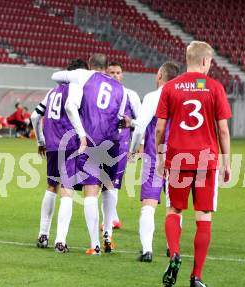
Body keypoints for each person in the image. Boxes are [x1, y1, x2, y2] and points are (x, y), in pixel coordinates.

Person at [155, 41, 232, 287]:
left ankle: (175, 252)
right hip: (205, 160)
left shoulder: (171, 87)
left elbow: (159, 128)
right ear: (204, 61)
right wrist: (226, 161)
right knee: (204, 216)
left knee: (174, 211)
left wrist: (159, 156)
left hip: (177, 157)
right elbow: (222, 129)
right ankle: (196, 276)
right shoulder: (215, 88)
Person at [52, 54, 129, 255]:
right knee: (110, 187)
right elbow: (121, 121)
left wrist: (82, 133)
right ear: (106, 68)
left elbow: (57, 79)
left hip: (91, 140)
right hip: (113, 143)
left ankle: (95, 244)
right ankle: (108, 233)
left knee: (90, 191)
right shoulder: (122, 89)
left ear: (89, 65)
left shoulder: (83, 76)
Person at [32, 58, 88, 252]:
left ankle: (42, 235)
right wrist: (82, 134)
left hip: (52, 144)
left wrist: (40, 141)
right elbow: (70, 108)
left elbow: (34, 116)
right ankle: (60, 241)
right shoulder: (75, 87)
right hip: (68, 142)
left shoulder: (52, 91)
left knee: (51, 186)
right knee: (67, 190)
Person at [127, 61, 180, 262]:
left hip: (155, 155)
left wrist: (133, 151)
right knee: (174, 205)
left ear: (160, 75)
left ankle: (147, 250)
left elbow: (140, 127)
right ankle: (172, 248)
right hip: (178, 156)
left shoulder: (153, 97)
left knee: (149, 204)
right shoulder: (182, 97)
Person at [101, 61, 141, 230]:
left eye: (118, 72)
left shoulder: (131, 94)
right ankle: (114, 218)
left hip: (121, 145)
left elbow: (140, 122)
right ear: (105, 74)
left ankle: (108, 221)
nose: (115, 75)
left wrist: (140, 146)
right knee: (104, 183)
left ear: (122, 75)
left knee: (113, 183)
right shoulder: (101, 95)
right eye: (112, 73)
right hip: (101, 144)